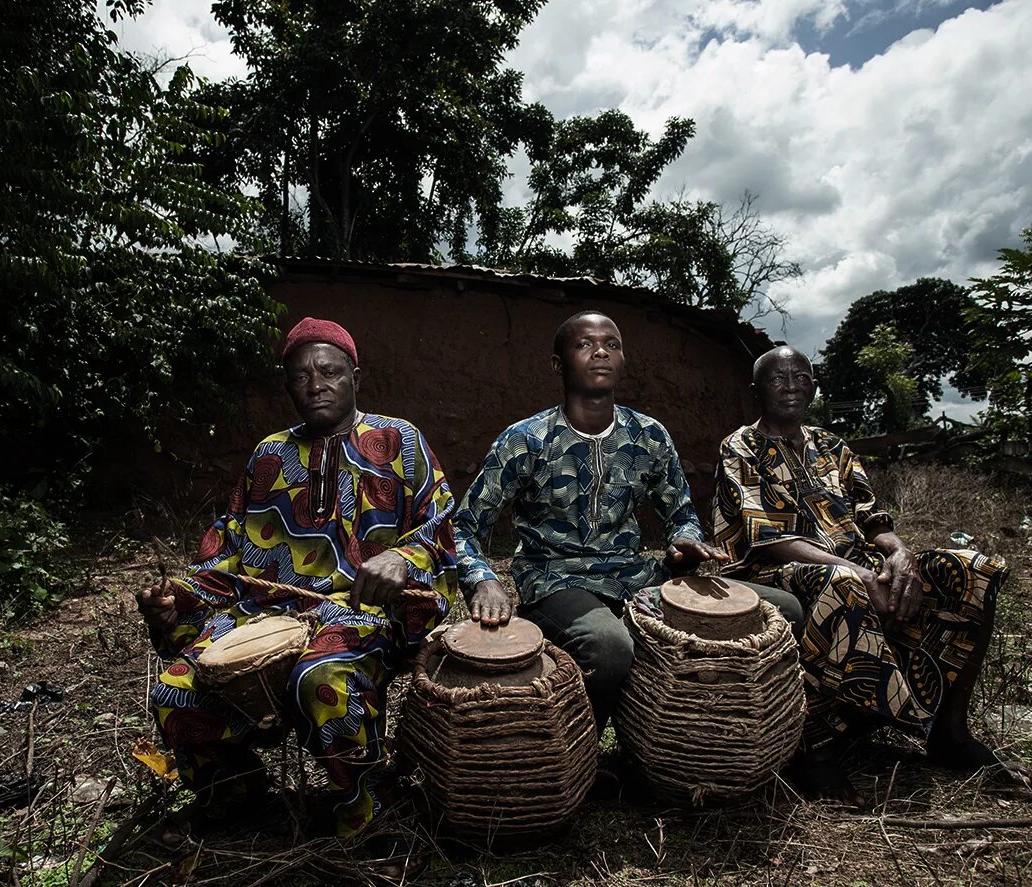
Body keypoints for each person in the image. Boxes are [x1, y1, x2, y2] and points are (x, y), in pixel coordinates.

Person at [137, 318, 458, 839]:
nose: (316, 385)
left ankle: (364, 812)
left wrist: (404, 557)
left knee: (320, 679)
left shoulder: (398, 440)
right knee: (176, 690)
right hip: (264, 614)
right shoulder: (269, 454)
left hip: (361, 611)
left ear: (356, 376)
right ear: (287, 385)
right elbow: (229, 547)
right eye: (300, 376)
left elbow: (442, 524)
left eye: (330, 372)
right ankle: (235, 796)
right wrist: (181, 597)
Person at [453, 310, 802, 731]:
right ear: (557, 364)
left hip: (636, 575)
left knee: (781, 608)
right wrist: (484, 580)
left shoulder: (648, 434)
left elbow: (681, 513)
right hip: (556, 580)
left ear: (622, 360)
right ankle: (583, 747)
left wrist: (684, 542)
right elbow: (463, 527)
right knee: (608, 646)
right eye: (585, 344)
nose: (601, 351)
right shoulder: (525, 440)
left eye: (612, 344)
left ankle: (696, 736)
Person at [713, 345, 1026, 802]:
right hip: (770, 571)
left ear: (814, 386)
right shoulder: (740, 447)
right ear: (755, 389)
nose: (791, 386)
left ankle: (948, 732)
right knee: (840, 585)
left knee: (971, 569)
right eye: (778, 378)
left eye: (801, 377)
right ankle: (818, 751)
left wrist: (900, 557)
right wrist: (860, 572)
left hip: (853, 561)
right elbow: (771, 540)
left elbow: (873, 518)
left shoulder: (831, 446)